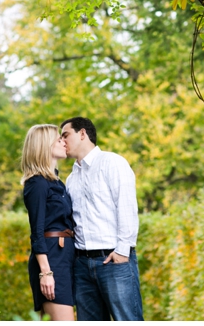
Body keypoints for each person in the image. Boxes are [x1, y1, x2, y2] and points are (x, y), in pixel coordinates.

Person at [60, 117, 143, 321]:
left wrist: (122, 252)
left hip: (113, 261)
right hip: (82, 266)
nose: (62, 141)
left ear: (82, 133)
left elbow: (127, 207)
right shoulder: (71, 178)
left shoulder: (112, 162)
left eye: (65, 135)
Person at [21, 124, 75, 321]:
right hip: (52, 259)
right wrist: (46, 272)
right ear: (44, 145)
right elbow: (37, 230)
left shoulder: (56, 182)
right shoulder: (37, 183)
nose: (63, 142)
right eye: (58, 139)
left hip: (65, 256)